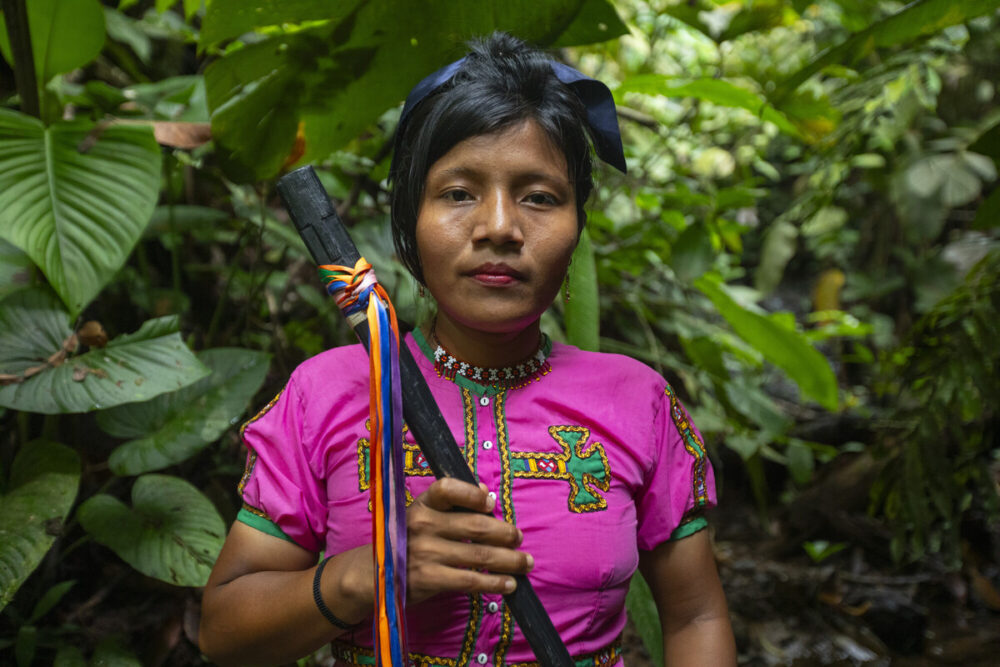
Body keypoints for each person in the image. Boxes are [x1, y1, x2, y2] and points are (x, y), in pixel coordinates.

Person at [199, 32, 735, 667]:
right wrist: (365, 575)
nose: (500, 227)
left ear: (576, 228)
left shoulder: (637, 400)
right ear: (410, 221)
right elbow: (224, 635)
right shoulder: (325, 394)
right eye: (458, 193)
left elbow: (697, 616)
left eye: (540, 197)